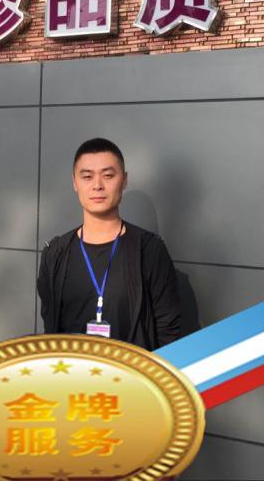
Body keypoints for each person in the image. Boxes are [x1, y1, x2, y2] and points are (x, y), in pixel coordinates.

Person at [37, 137, 181, 349]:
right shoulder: (55, 254)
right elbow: (51, 327)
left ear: (124, 180)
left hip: (131, 370)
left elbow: (169, 333)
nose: (97, 186)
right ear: (75, 182)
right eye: (87, 176)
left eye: (108, 176)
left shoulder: (149, 251)